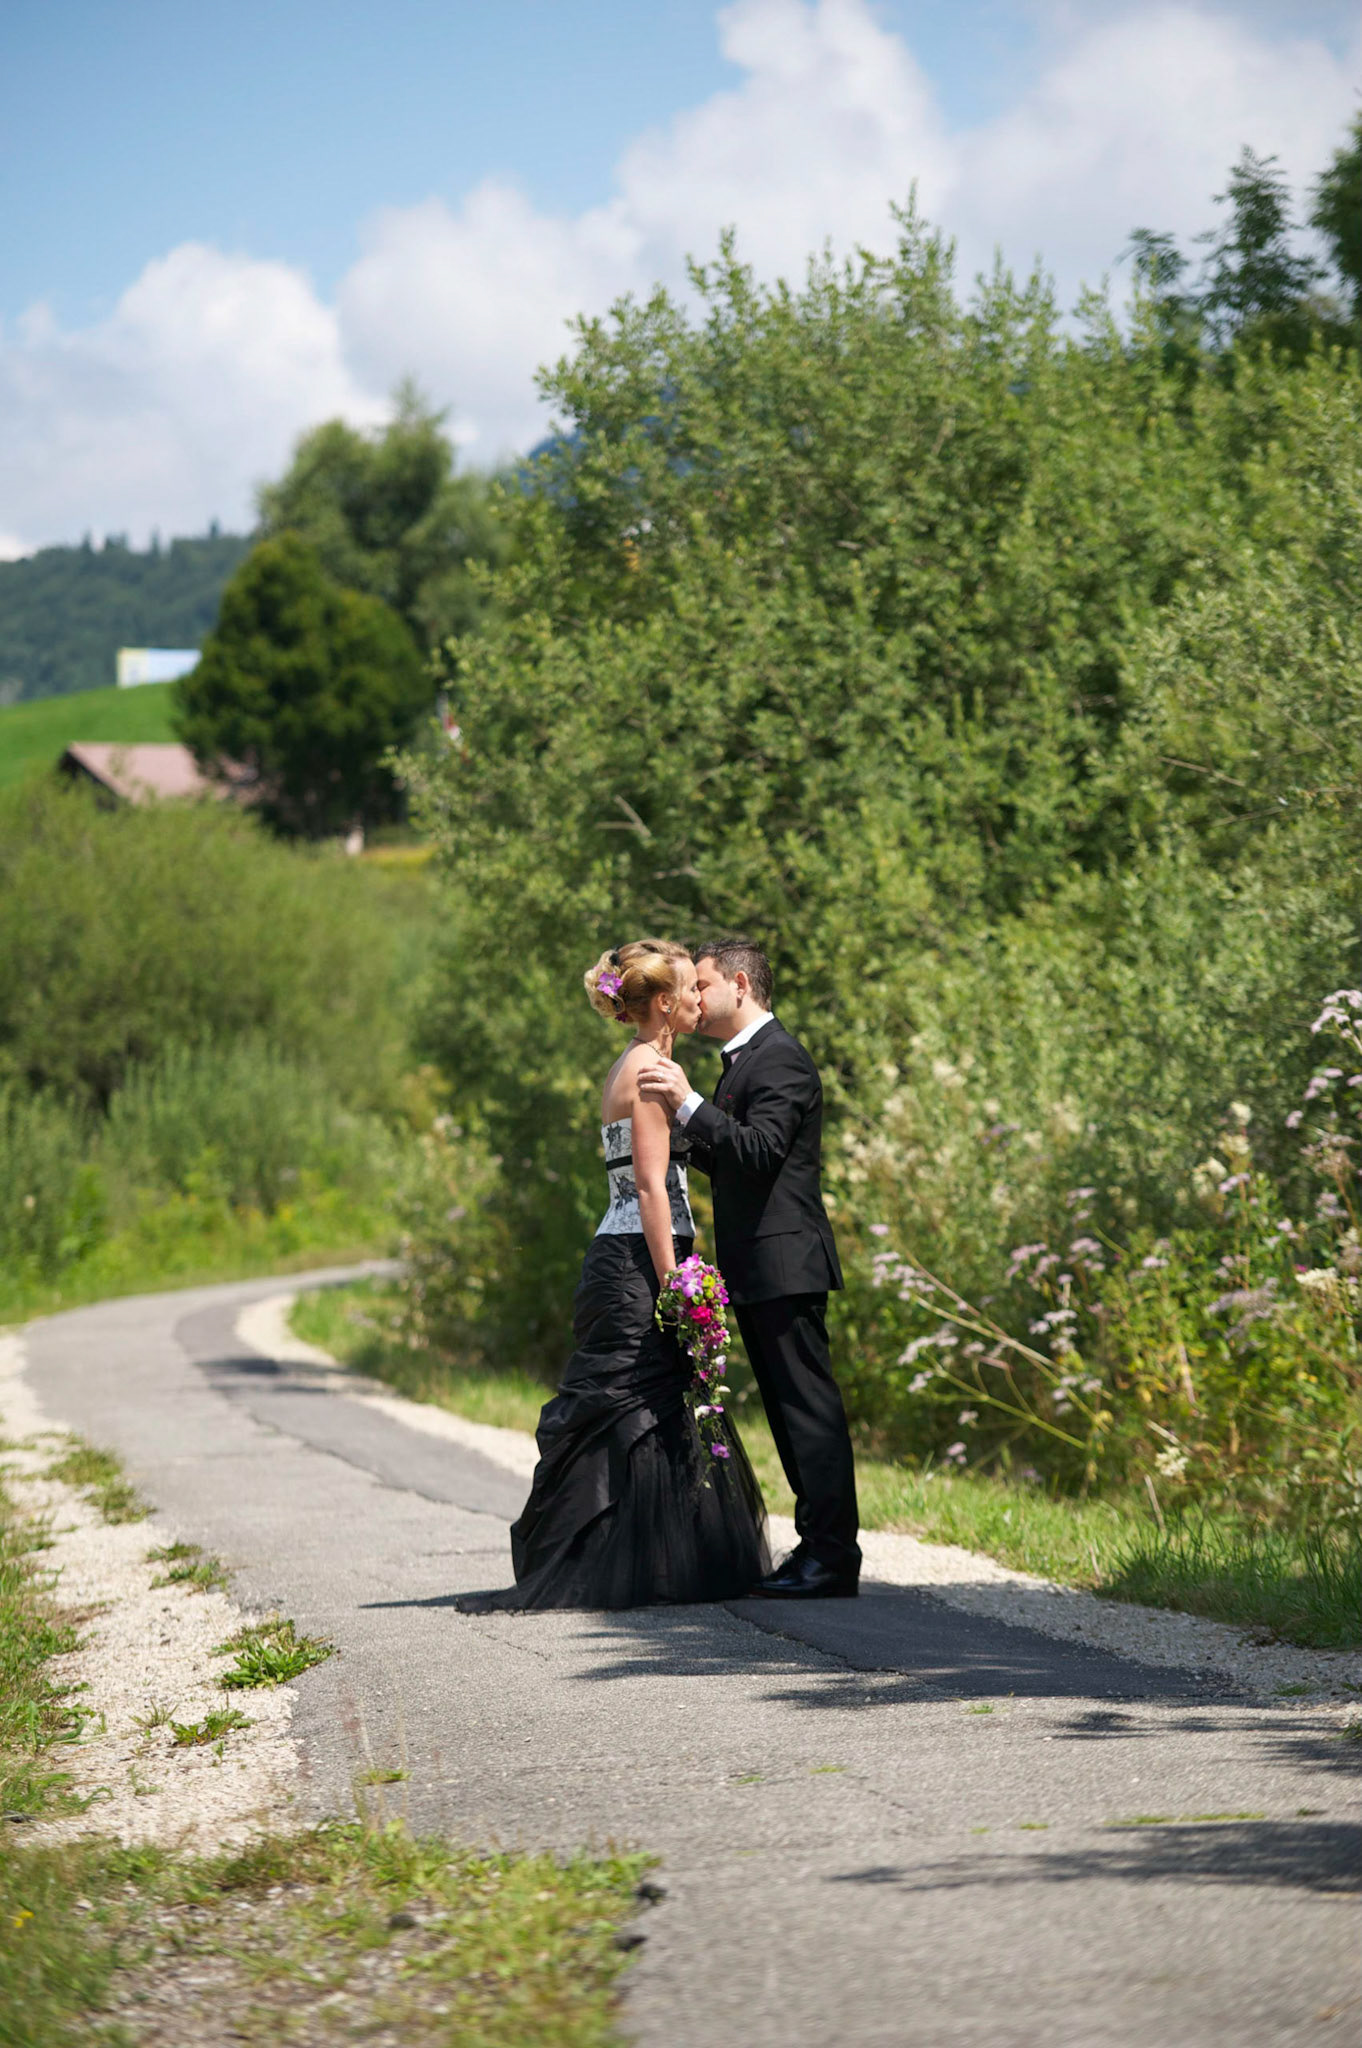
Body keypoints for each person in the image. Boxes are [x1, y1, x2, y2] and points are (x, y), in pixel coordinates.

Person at [455, 939, 769, 1612]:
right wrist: (677, 1286)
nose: (697, 1000)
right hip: (639, 1259)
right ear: (662, 1003)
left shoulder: (641, 1062)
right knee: (635, 1407)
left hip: (630, 1252)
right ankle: (623, 1567)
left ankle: (651, 1561)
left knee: (653, 1405)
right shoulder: (650, 1071)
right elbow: (653, 1188)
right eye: (688, 991)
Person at [638, 938, 861, 1598]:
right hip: (760, 1266)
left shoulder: (781, 1058)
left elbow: (761, 1153)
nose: (695, 999)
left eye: (703, 985)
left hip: (789, 1263)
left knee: (809, 1412)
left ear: (741, 983)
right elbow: (736, 1161)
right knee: (789, 1414)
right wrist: (679, 1134)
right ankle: (817, 1550)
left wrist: (687, 1103)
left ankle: (833, 1557)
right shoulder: (744, 1062)